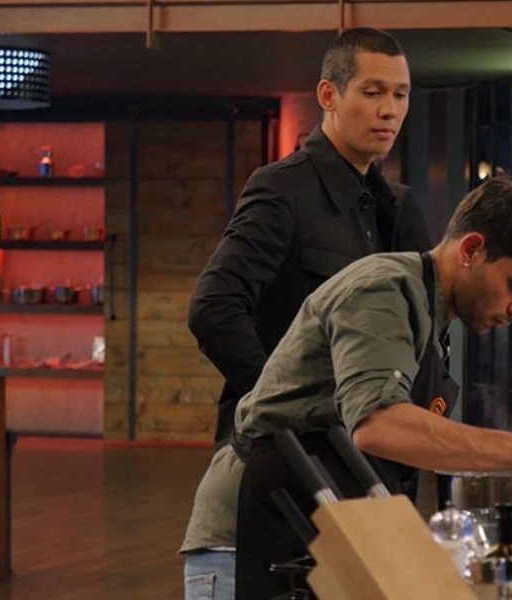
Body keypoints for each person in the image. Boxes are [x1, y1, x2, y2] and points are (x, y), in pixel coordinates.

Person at [219, 176, 512, 598]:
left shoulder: (431, 315)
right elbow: (378, 425)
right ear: (471, 250)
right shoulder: (384, 288)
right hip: (255, 526)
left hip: (325, 519)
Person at [181, 27, 433, 600]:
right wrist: (284, 401)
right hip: (273, 480)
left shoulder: (395, 208)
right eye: (372, 92)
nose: (389, 110)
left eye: (400, 95)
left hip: (356, 484)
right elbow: (213, 307)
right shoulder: (282, 190)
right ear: (328, 95)